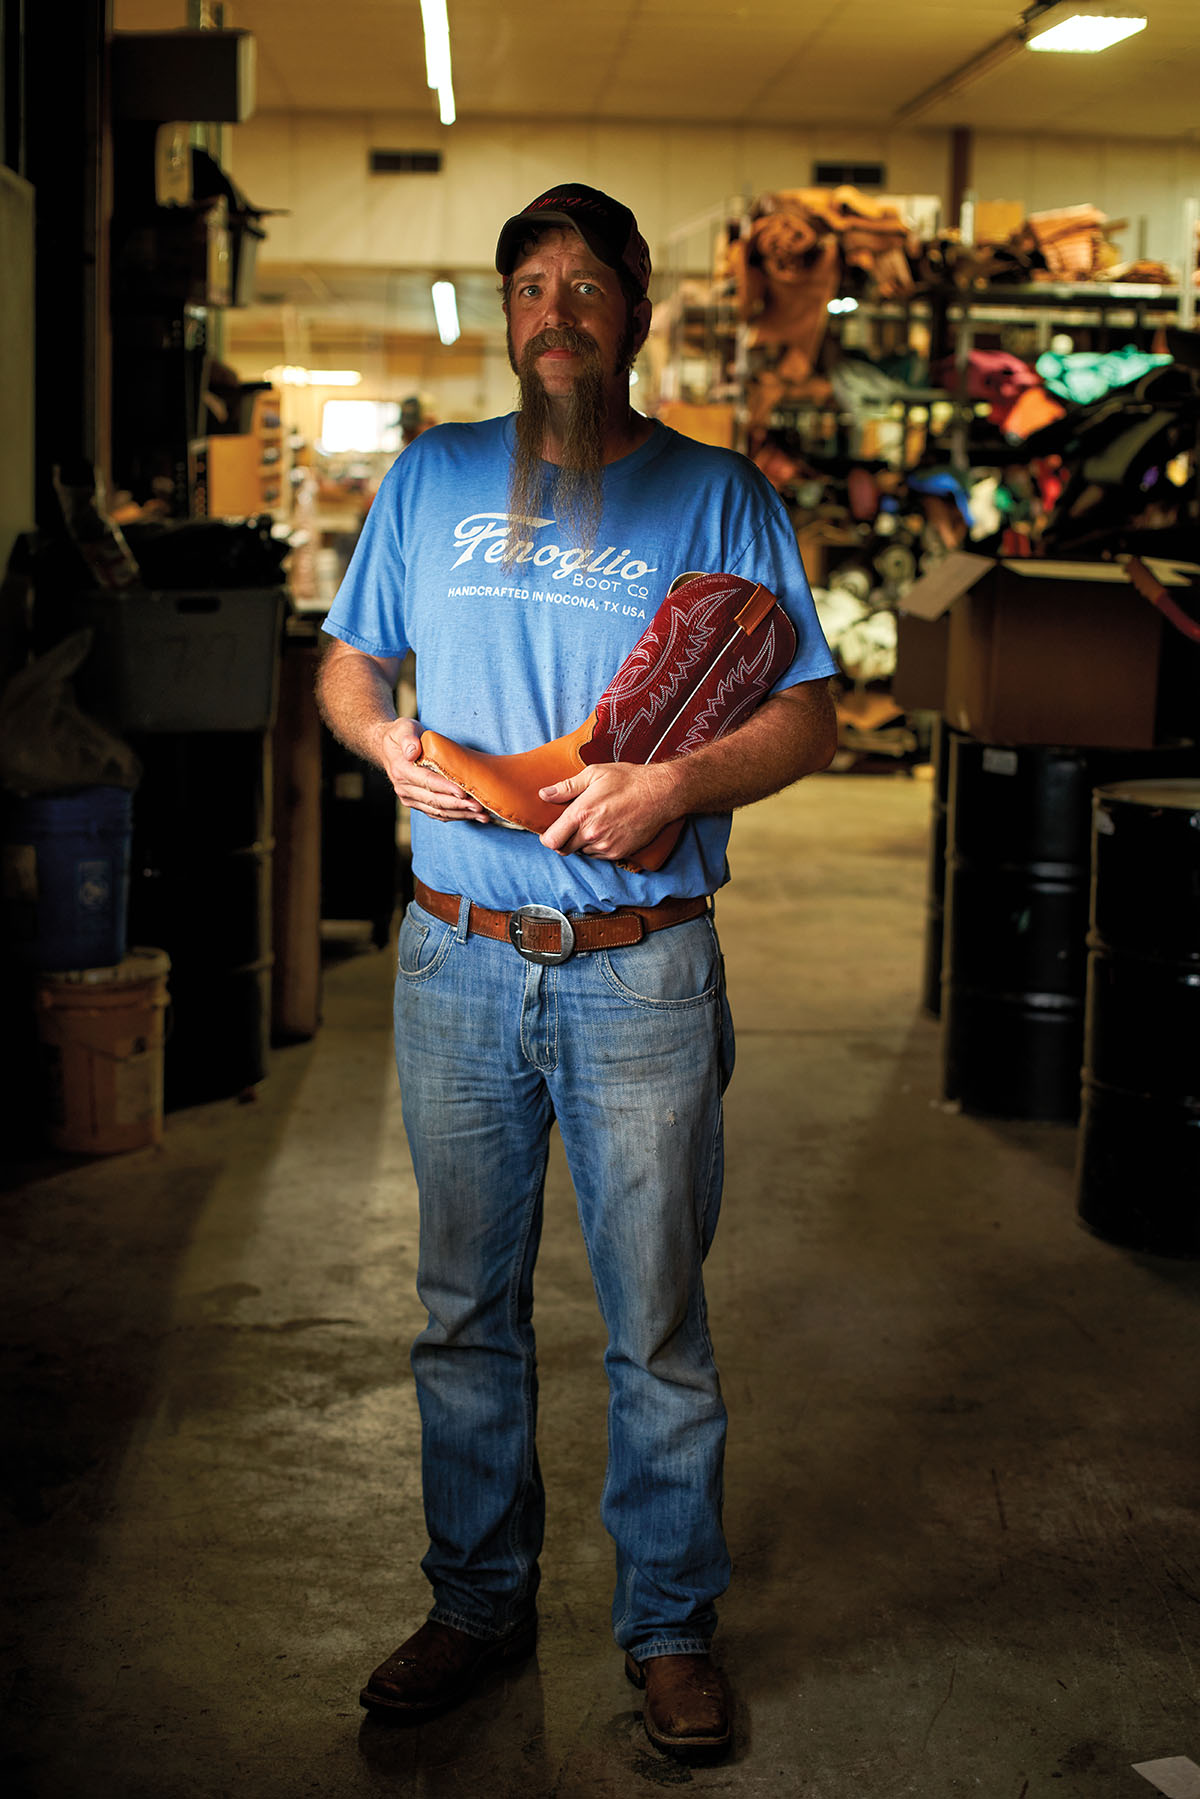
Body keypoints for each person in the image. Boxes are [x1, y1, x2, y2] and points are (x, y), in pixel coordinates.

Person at [316, 181, 838, 1763]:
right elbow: (349, 660)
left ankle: (670, 1629)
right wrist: (381, 739)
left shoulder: (721, 495)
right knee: (462, 1312)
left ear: (635, 310)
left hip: (640, 973)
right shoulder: (431, 477)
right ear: (506, 313)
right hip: (457, 962)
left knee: (655, 1321)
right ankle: (477, 1603)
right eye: (530, 284)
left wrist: (675, 787)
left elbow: (808, 714)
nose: (558, 310)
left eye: (587, 284)